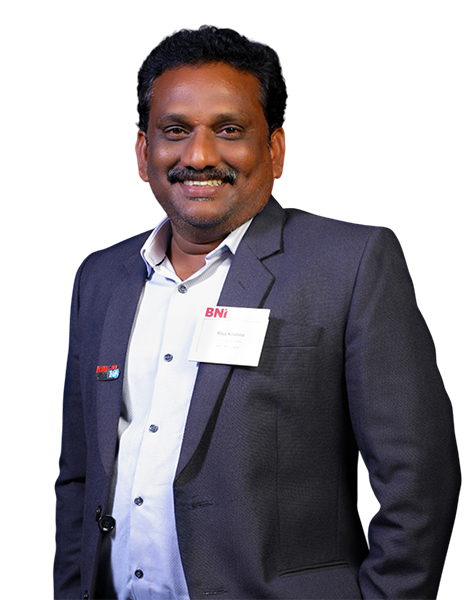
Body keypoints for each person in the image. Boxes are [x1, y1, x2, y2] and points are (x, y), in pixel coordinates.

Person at [53, 26, 460, 600]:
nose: (199, 156)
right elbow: (78, 476)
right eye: (176, 131)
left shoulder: (349, 266)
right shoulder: (99, 280)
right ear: (145, 152)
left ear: (272, 149)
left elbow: (417, 480)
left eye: (228, 130)